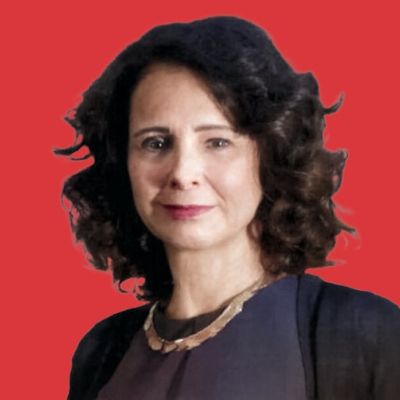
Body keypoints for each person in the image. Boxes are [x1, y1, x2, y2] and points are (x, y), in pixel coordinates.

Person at [56, 16, 400, 400]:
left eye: (217, 142)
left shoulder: (366, 335)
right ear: (123, 164)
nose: (182, 174)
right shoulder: (101, 353)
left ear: (270, 154)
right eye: (156, 143)